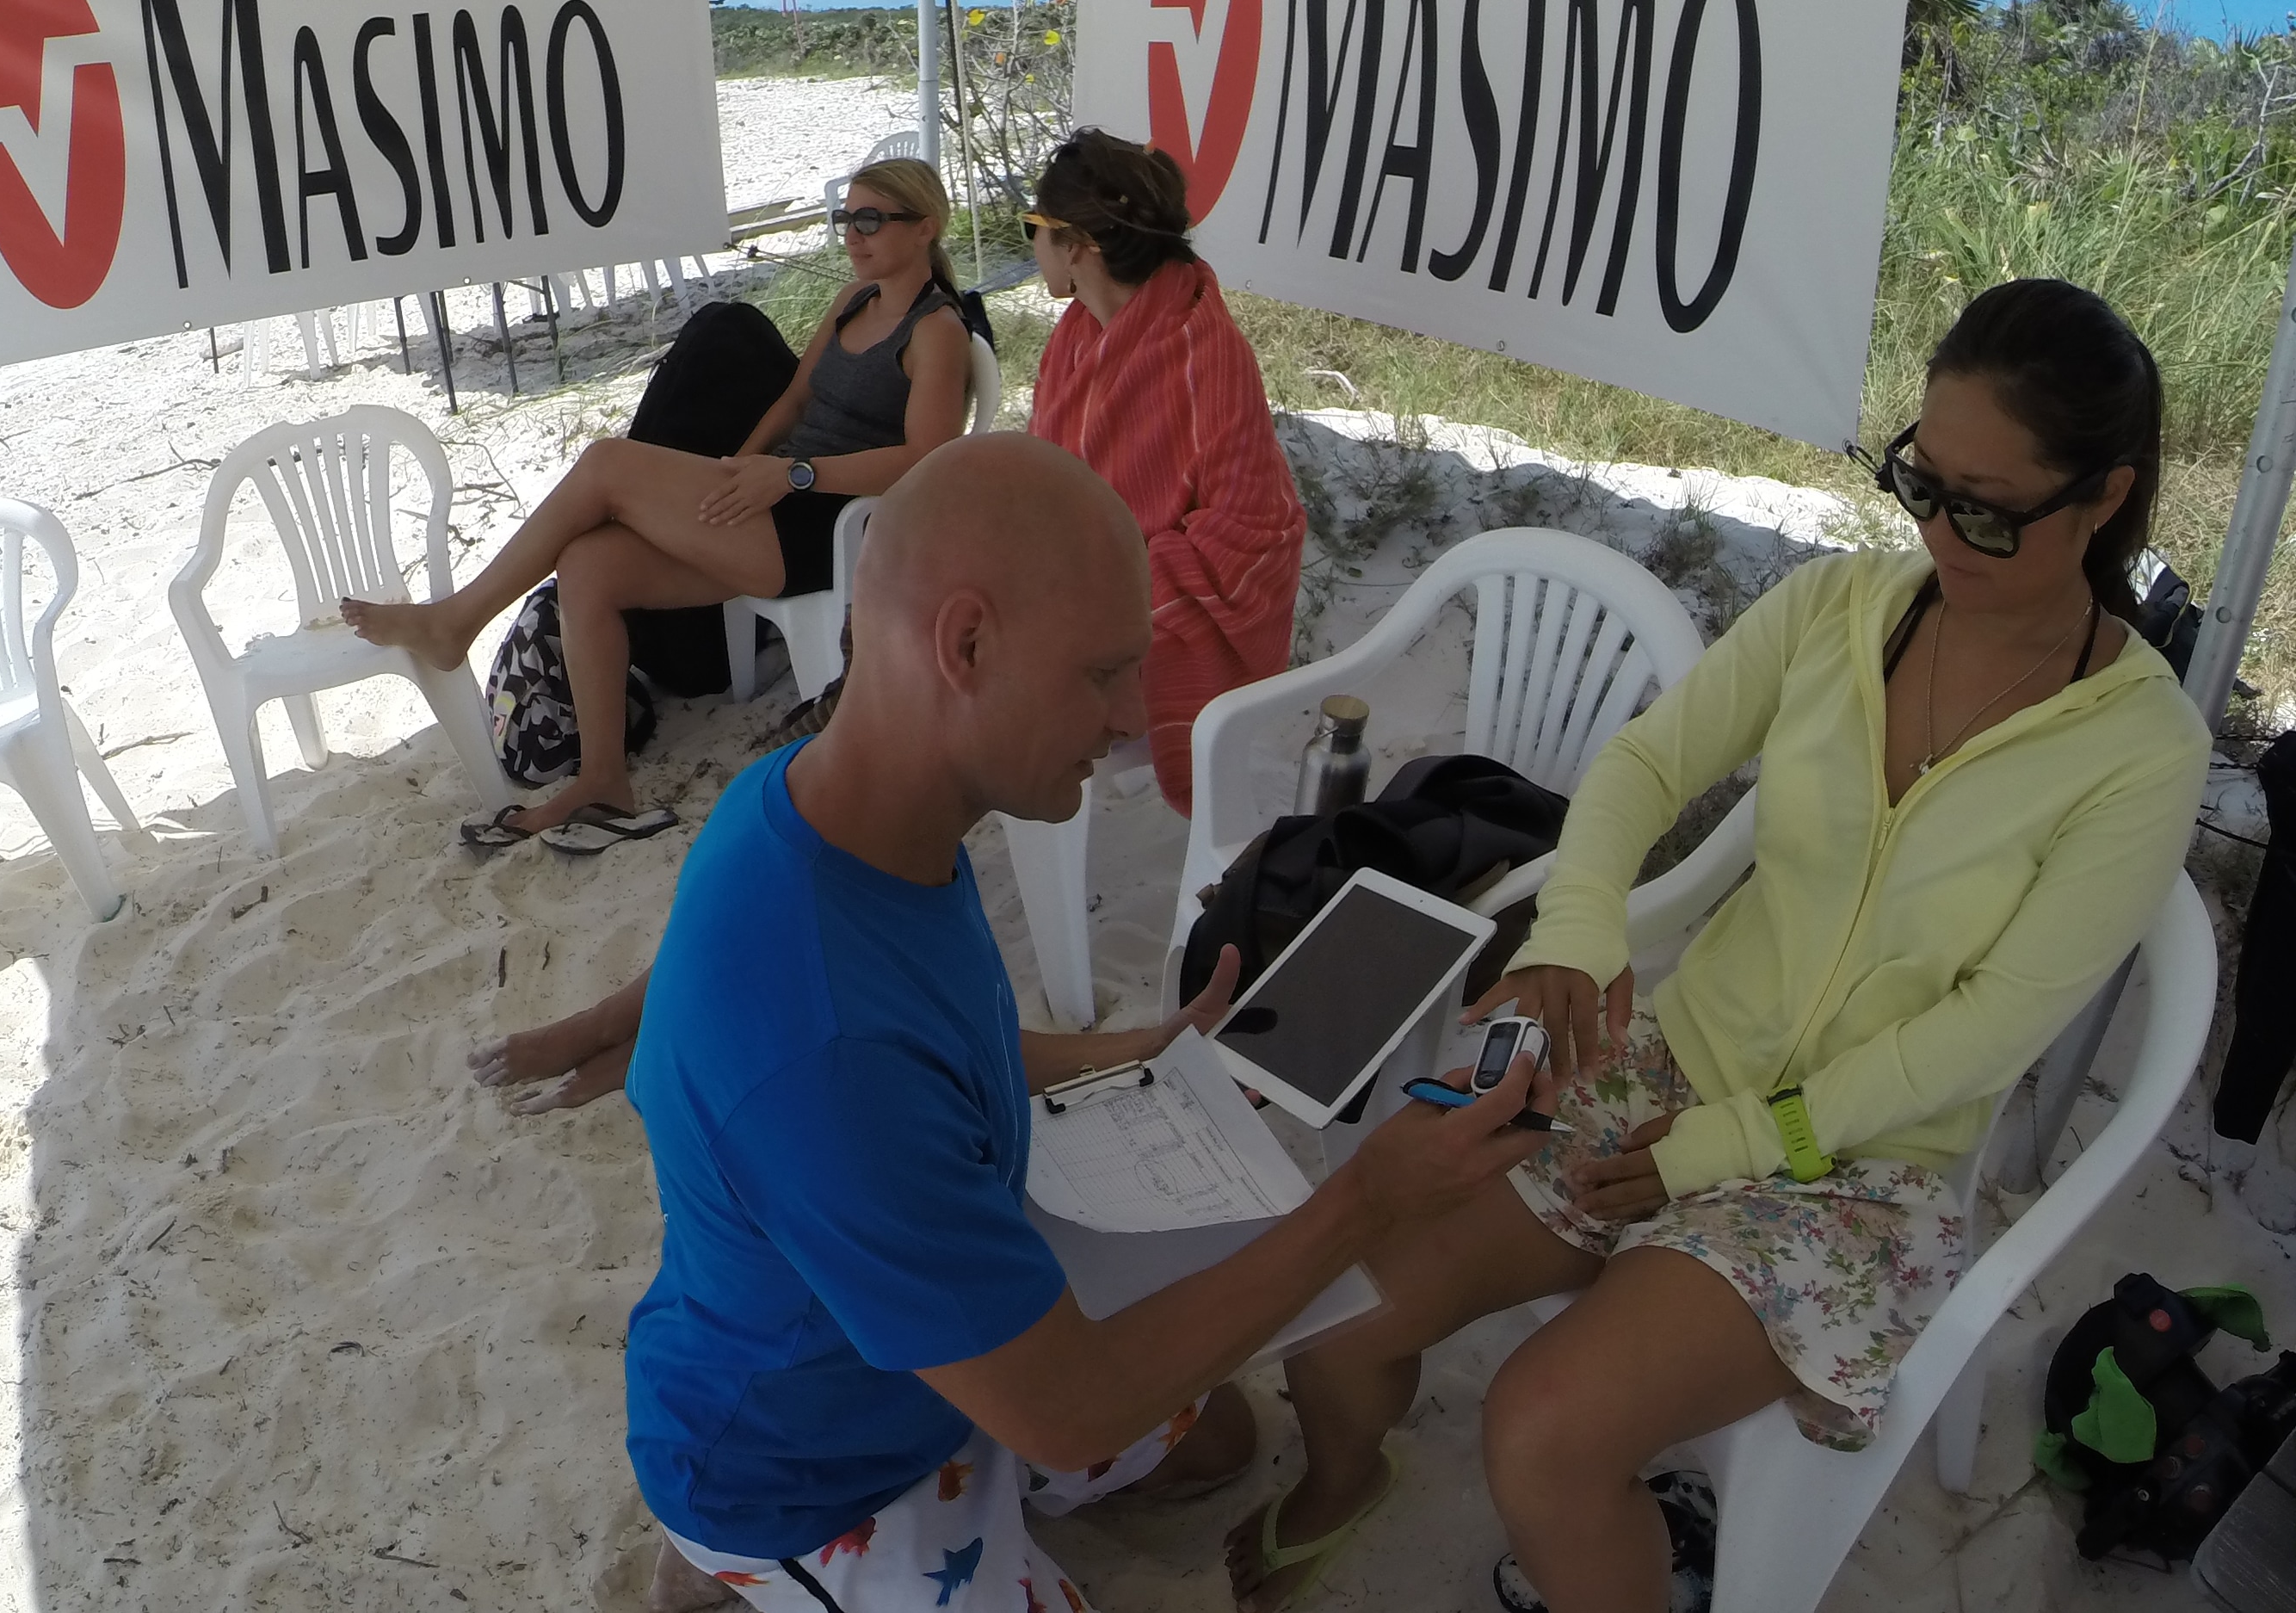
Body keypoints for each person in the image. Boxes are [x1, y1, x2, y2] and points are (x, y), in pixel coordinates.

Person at [1223, 279, 2210, 1613]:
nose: (1940, 534)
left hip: (1847, 1161)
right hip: (1674, 1058)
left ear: (2105, 498)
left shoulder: (2141, 748)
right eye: (1922, 481)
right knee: (1339, 1303)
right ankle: (1342, 1480)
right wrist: (1575, 929)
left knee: (1542, 1430)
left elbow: (1987, 1032)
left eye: (1989, 510)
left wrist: (1734, 1149)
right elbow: (1642, 762)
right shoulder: (1840, 608)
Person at [623, 434, 1559, 1613]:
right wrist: (1370, 1199)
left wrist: (1123, 1052)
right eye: (1104, 672)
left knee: (1216, 1436)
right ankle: (730, 1564)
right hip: (813, 1466)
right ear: (965, 643)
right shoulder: (828, 1043)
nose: (1130, 719)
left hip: (924, 1352)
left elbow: (931, 1050)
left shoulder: (847, 810)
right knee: (1121, 1404)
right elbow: (1066, 1413)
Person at [344, 158, 972, 851]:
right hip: (772, 496)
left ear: (926, 228)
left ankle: (458, 619)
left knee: (608, 463)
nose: (853, 235)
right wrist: (739, 463)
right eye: (846, 218)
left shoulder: (934, 331)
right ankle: (604, 783)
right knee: (588, 565)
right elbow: (793, 398)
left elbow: (929, 460)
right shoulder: (854, 301)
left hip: (825, 526)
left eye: (872, 220)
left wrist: (794, 474)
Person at [1025, 128, 1305, 814]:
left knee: (1003, 661)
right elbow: (1049, 474)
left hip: (1149, 599)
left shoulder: (1198, 348)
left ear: (1079, 245)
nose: (1029, 242)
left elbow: (1252, 526)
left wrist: (1116, 586)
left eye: (1034, 226)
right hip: (1085, 571)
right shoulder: (1078, 334)